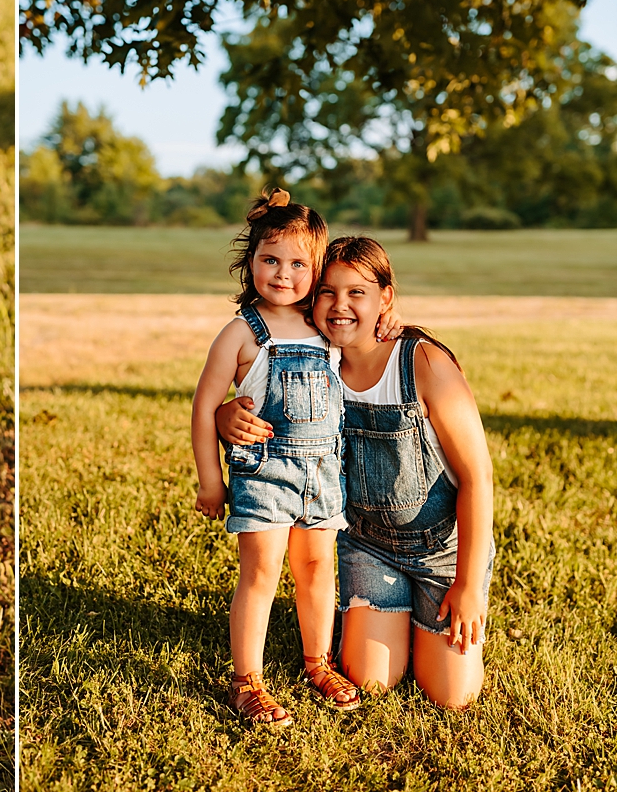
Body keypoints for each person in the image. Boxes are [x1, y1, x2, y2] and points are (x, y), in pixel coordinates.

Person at [218, 236, 494, 708]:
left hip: (439, 552)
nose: (339, 305)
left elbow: (477, 478)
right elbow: (265, 397)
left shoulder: (422, 362)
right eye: (327, 291)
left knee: (453, 696)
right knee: (371, 680)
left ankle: (423, 614)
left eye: (357, 293)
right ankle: (382, 618)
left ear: (386, 297)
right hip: (367, 546)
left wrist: (467, 586)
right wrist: (227, 418)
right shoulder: (316, 356)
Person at [191, 188, 362, 727]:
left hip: (322, 478)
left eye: (297, 264)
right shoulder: (244, 333)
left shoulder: (326, 327)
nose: (282, 274)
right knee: (261, 573)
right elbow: (203, 407)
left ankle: (318, 661)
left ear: (318, 271)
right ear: (251, 262)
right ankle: (247, 682)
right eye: (270, 259)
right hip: (264, 476)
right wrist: (210, 481)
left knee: (316, 569)